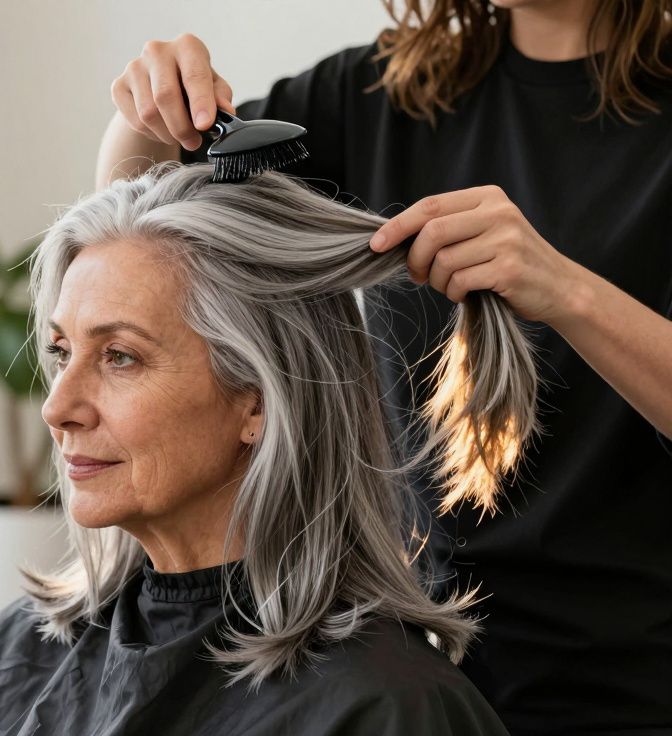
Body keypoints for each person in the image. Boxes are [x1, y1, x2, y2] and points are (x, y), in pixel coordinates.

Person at [97, 2, 672, 734]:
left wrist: (567, 292)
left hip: (629, 687)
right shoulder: (388, 90)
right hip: (407, 669)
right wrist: (145, 119)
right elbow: (143, 221)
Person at [0, 162, 522, 735]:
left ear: (260, 400)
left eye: (120, 357)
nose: (56, 408)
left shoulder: (382, 707)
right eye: (61, 351)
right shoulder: (28, 644)